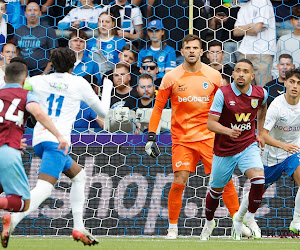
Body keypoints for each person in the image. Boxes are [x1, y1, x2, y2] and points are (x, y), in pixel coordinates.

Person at [2, 47, 113, 247]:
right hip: (57, 139)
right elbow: (103, 111)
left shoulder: (36, 80)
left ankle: (79, 226)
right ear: (74, 65)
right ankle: (13, 218)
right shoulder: (79, 83)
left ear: (52, 63)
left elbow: (11, 87)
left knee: (79, 176)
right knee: (44, 188)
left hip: (38, 139)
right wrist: (108, 87)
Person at [145, 34, 243, 240]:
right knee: (179, 181)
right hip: (182, 138)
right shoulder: (171, 77)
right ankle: (172, 228)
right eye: (187, 48)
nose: (191, 51)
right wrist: (151, 136)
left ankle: (238, 223)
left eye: (195, 48)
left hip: (210, 138)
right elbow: (158, 108)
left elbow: (226, 107)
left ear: (201, 52)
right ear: (182, 52)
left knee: (224, 181)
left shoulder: (214, 76)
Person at [0, 61, 68, 248]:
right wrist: (58, 135)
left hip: (8, 144)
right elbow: (38, 113)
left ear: (4, 79)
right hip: (6, 152)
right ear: (24, 81)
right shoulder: (25, 95)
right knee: (22, 203)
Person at [200, 59, 268, 241]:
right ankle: (208, 223)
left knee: (259, 179)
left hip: (248, 145)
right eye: (237, 70)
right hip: (224, 150)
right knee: (215, 191)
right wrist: (229, 131)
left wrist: (260, 132)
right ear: (233, 73)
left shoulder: (261, 93)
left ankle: (249, 216)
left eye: (245, 71)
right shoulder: (223, 93)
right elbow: (210, 124)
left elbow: (262, 108)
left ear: (252, 76)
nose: (240, 74)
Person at [234, 67, 300, 236]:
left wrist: (289, 147)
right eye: (292, 82)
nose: (295, 86)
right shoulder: (276, 105)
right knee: (257, 191)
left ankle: (297, 221)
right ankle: (241, 217)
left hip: (293, 152)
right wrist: (282, 145)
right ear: (284, 82)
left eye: (299, 83)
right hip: (272, 155)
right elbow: (263, 134)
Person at [233, 0, 276, 86]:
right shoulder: (244, 6)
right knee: (244, 92)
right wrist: (250, 26)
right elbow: (235, 32)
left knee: (263, 91)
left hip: (262, 53)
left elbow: (256, 29)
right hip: (244, 52)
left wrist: (244, 28)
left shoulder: (263, 2)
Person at [13, 2, 58, 76]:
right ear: (25, 13)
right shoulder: (19, 30)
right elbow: (16, 52)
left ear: (40, 13)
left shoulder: (48, 30)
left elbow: (54, 55)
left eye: (35, 10)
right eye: (29, 10)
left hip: (42, 74)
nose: (32, 13)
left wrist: (44, 74)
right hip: (22, 74)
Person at [275, 5, 300, 70]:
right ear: (291, 21)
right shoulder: (283, 40)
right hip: (287, 78)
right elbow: (276, 64)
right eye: (296, 18)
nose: (299, 21)